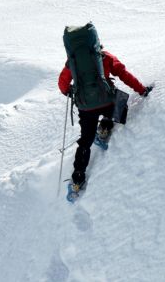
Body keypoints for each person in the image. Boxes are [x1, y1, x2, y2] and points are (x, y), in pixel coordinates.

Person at [58, 46, 152, 198]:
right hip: (107, 103)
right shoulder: (105, 57)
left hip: (86, 108)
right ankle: (105, 127)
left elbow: (62, 85)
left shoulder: (73, 62)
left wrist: (73, 92)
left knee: (85, 141)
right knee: (121, 102)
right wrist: (142, 90)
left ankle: (77, 180)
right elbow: (124, 75)